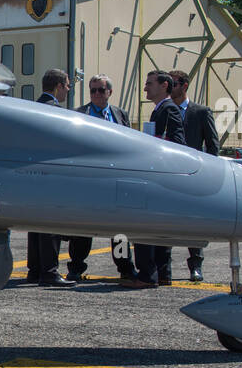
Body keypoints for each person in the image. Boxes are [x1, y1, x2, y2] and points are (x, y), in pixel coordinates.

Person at [122, 71, 185, 288]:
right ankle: (162, 273)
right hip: (162, 176)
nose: (146, 88)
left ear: (164, 85)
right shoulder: (162, 109)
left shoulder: (168, 109)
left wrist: (153, 141)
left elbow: (177, 141)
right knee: (159, 229)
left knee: (146, 226)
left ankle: (148, 274)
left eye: (149, 84)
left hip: (159, 176)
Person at [73, 74, 136, 281]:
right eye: (93, 90)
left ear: (110, 92)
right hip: (90, 179)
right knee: (82, 227)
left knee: (119, 229)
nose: (96, 94)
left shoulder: (120, 114)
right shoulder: (80, 114)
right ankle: (76, 267)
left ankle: (125, 267)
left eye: (101, 90)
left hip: (115, 178)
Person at [27, 69, 76, 287]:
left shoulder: (32, 108)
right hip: (52, 175)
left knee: (35, 225)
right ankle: (49, 271)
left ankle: (35, 269)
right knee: (50, 225)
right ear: (58, 86)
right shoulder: (57, 112)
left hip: (33, 174)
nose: (68, 89)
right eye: (67, 85)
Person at [169, 69, 219, 282]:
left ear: (184, 85)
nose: (169, 88)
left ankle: (195, 265)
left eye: (173, 83)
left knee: (193, 224)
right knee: (165, 222)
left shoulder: (200, 112)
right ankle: (164, 268)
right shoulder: (164, 109)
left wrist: (205, 170)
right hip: (168, 174)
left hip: (192, 175)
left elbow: (213, 145)